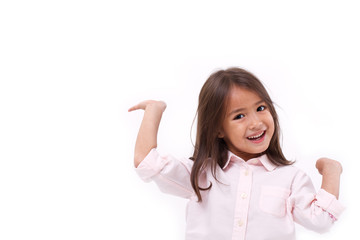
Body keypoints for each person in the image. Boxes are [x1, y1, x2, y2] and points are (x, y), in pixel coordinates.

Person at [128, 67, 344, 240]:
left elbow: (321, 221)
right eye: (239, 116)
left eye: (261, 108)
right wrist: (154, 111)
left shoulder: (290, 178)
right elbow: (146, 163)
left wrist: (331, 172)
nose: (256, 123)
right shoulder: (201, 173)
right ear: (218, 129)